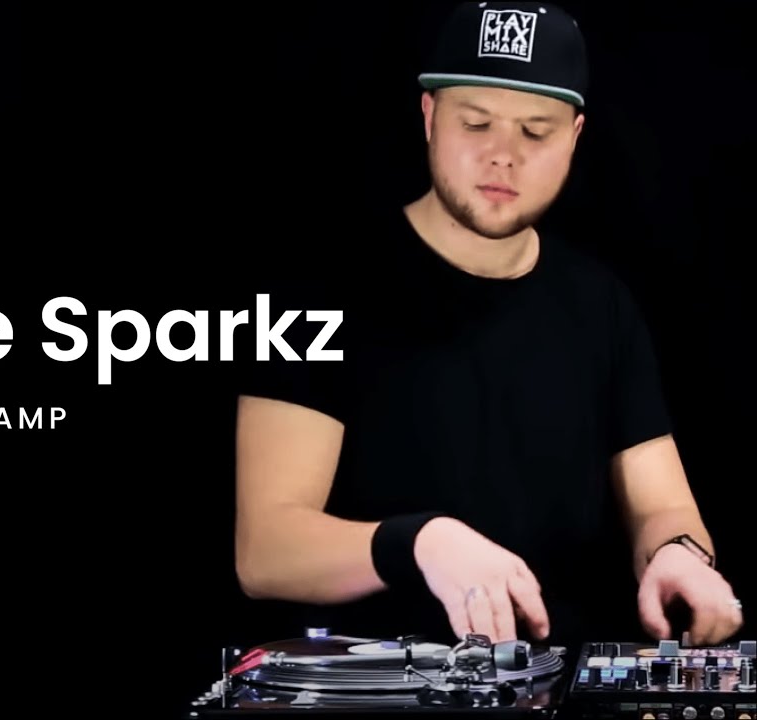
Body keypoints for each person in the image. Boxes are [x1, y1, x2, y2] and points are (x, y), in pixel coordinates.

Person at [233, 1, 743, 649]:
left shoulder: (602, 304)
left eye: (535, 132)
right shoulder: (315, 294)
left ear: (575, 137)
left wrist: (678, 555)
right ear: (429, 117)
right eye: (476, 123)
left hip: (553, 675)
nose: (503, 155)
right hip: (371, 681)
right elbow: (266, 551)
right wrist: (422, 542)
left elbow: (663, 507)